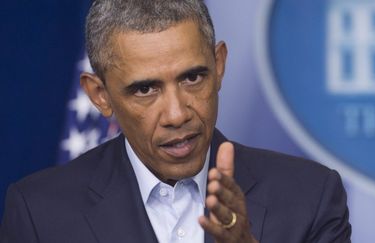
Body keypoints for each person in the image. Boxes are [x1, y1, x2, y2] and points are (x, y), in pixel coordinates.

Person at [0, 0, 351, 242]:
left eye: (192, 78)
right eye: (145, 89)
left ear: (219, 67)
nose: (177, 113)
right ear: (99, 95)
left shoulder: (311, 196)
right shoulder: (39, 213)